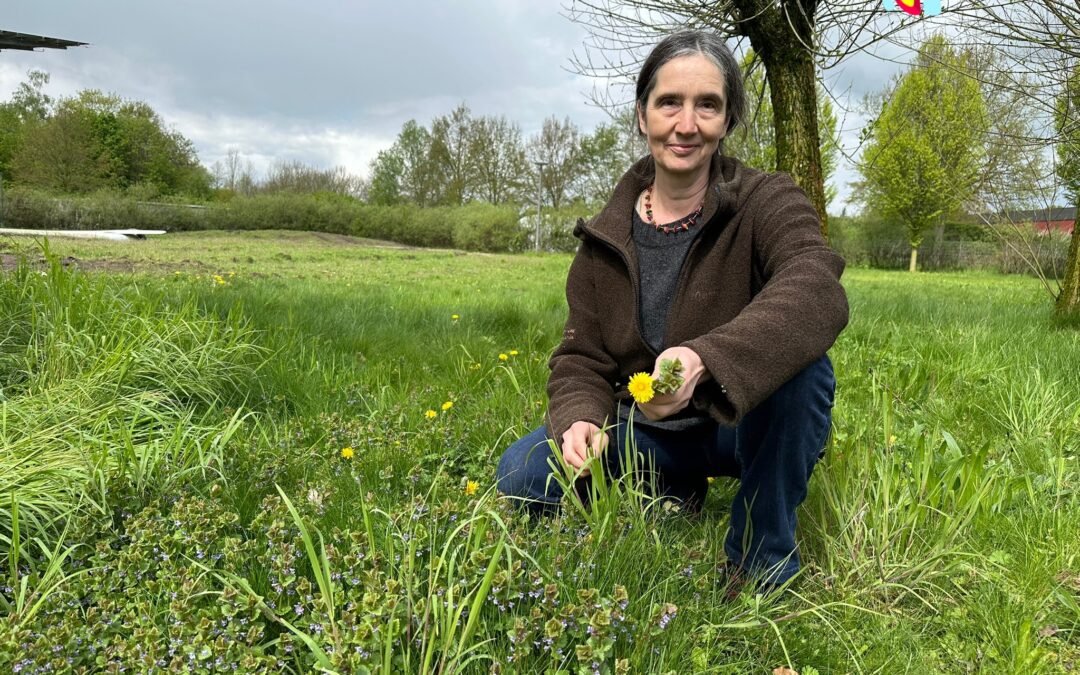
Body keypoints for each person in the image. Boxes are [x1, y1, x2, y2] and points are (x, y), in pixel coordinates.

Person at [496, 30, 849, 589]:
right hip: (646, 432)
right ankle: (669, 485)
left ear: (728, 120)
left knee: (805, 366)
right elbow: (581, 357)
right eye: (669, 103)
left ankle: (759, 561)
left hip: (742, 423)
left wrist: (704, 361)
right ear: (642, 116)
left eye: (707, 105)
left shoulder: (768, 200)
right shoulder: (604, 238)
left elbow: (816, 285)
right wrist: (581, 418)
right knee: (521, 473)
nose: (687, 124)